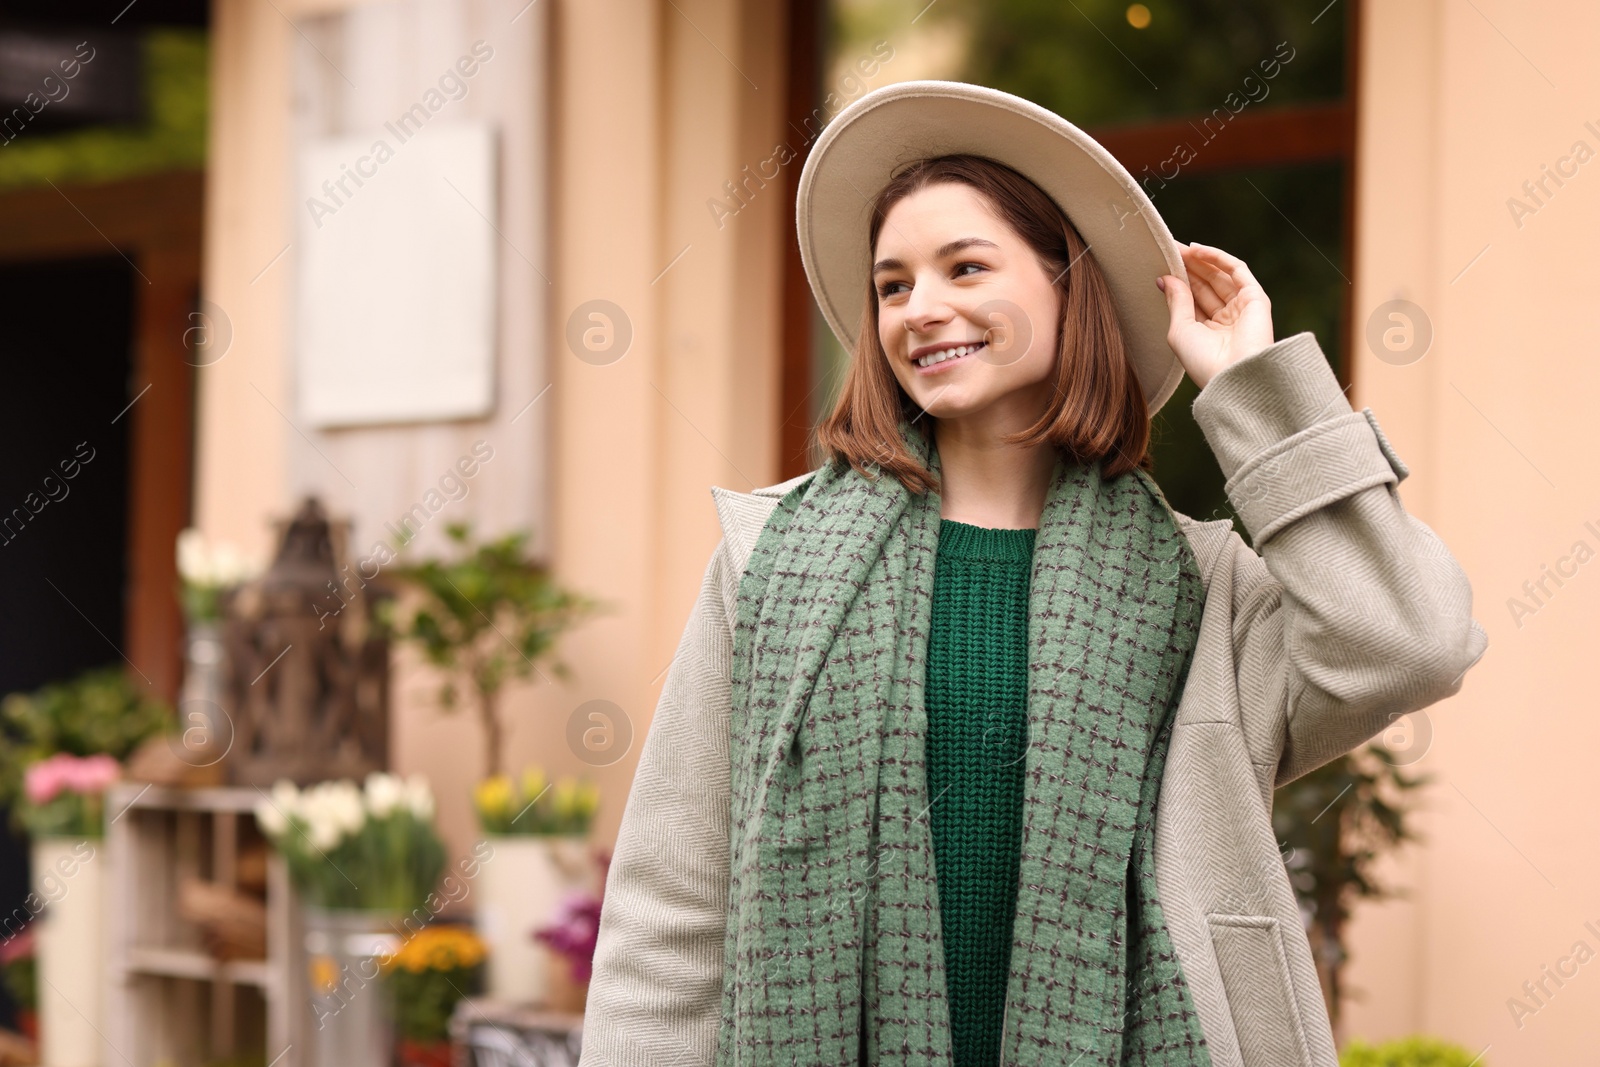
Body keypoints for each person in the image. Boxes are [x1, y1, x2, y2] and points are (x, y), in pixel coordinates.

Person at [578, 81, 1486, 1067]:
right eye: (892, 285)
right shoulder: (769, 559)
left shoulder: (1200, 585)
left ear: (1069, 283)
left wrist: (1255, 393)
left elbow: (1409, 643)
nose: (921, 309)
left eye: (964, 266)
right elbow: (671, 909)